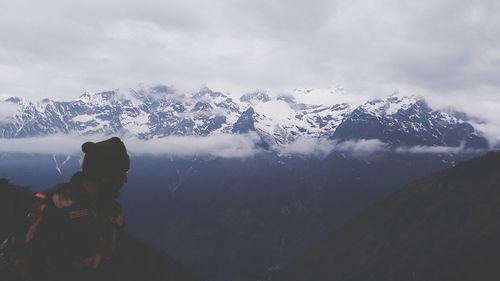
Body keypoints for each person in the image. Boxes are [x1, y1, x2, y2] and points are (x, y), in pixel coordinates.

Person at [26, 137, 130, 281]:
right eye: (121, 174)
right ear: (104, 177)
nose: (125, 180)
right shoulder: (56, 209)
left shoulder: (109, 210)